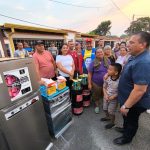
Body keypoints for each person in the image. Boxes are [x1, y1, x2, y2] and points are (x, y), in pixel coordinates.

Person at [113, 31, 150, 145]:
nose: (128, 45)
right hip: (127, 98)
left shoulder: (143, 62)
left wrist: (126, 105)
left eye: (132, 42)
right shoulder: (134, 56)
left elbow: (140, 90)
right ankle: (125, 129)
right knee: (126, 118)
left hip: (134, 102)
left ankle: (127, 138)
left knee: (131, 120)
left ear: (142, 45)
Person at [88, 49, 110, 113]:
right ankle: (97, 105)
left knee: (105, 94)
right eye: (98, 52)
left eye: (101, 52)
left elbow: (110, 69)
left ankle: (105, 105)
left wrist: (107, 74)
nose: (100, 53)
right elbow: (89, 73)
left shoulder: (107, 60)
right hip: (96, 83)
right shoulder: (93, 62)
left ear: (103, 53)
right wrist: (89, 84)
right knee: (96, 95)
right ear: (95, 54)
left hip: (106, 82)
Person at [101, 63, 122, 129]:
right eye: (108, 69)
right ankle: (107, 117)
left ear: (116, 73)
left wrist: (114, 96)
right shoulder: (107, 78)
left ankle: (112, 122)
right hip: (106, 97)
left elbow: (121, 91)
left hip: (114, 99)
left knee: (111, 111)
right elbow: (104, 87)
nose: (107, 70)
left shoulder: (120, 80)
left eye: (110, 69)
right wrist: (105, 94)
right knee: (104, 108)